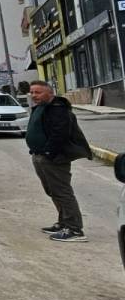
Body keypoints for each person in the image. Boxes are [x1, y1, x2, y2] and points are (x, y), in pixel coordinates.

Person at [26, 81, 93, 243]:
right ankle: (63, 223)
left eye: (38, 92)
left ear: (50, 93)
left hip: (53, 158)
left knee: (62, 192)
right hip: (39, 156)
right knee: (52, 191)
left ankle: (74, 229)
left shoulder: (58, 109)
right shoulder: (40, 107)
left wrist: (48, 152)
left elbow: (60, 134)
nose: (34, 95)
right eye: (32, 92)